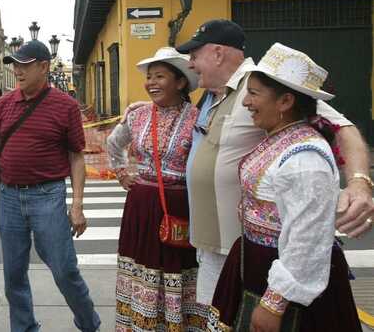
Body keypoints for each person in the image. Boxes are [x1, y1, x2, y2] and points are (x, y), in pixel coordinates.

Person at [175, 19, 374, 305]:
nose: (191, 65)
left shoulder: (265, 88)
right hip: (213, 244)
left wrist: (359, 183)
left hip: (247, 248)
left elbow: (345, 129)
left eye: (194, 56)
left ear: (218, 53)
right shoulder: (209, 95)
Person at [207, 43, 362, 331]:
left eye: (253, 94)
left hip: (287, 286)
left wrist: (274, 304)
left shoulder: (305, 159)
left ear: (285, 101)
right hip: (257, 264)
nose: (246, 103)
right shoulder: (281, 137)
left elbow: (307, 238)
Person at [0, 40, 101, 332]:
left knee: (65, 270)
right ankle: (24, 327)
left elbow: (76, 156)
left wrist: (78, 206)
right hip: (9, 197)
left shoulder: (65, 106)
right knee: (14, 275)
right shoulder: (5, 104)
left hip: (48, 196)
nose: (18, 71)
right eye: (16, 65)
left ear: (43, 67)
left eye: (25, 65)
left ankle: (89, 323)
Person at [106, 47, 204, 330]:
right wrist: (122, 173)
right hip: (142, 203)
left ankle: (176, 323)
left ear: (181, 82)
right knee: (143, 264)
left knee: (178, 266)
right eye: (149, 77)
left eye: (159, 76)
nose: (151, 83)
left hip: (180, 206)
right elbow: (114, 143)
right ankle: (141, 323)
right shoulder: (137, 116)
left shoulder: (198, 118)